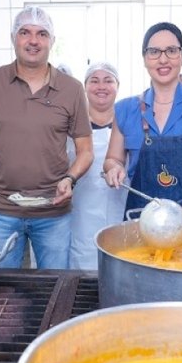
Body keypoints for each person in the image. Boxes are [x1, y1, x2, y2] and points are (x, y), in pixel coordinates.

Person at [0, 7, 93, 269]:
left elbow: (86, 150)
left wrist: (70, 178)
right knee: (4, 291)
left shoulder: (71, 88)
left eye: (42, 34)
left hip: (53, 211)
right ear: (14, 38)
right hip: (2, 209)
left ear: (52, 41)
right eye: (25, 32)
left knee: (55, 287)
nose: (33, 40)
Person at [103, 22, 182, 209]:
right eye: (154, 51)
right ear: (145, 58)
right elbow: (112, 159)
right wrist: (114, 168)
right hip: (142, 220)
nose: (163, 60)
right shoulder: (125, 110)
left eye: (171, 50)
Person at [67, 62, 128, 269]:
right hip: (81, 215)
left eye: (108, 80)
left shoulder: (130, 125)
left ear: (117, 86)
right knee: (83, 267)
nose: (101, 86)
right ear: (85, 87)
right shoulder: (71, 127)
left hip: (121, 212)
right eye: (94, 81)